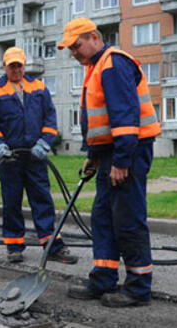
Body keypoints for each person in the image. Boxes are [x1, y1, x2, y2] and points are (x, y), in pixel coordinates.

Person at [58, 17, 160, 308]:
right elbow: (99, 120)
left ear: (93, 37)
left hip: (127, 152)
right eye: (70, 49)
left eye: (76, 46)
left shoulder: (113, 63)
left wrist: (121, 161)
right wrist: (93, 157)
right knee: (104, 217)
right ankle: (103, 278)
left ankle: (139, 287)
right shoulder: (96, 67)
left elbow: (125, 116)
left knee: (127, 218)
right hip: (109, 154)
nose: (73, 53)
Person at [0, 47, 78, 265]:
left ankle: (52, 244)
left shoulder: (39, 88)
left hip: (35, 156)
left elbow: (50, 119)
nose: (16, 69)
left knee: (42, 198)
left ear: (24, 65)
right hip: (9, 158)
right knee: (12, 202)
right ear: (4, 67)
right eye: (12, 66)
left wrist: (45, 142)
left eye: (19, 65)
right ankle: (14, 246)